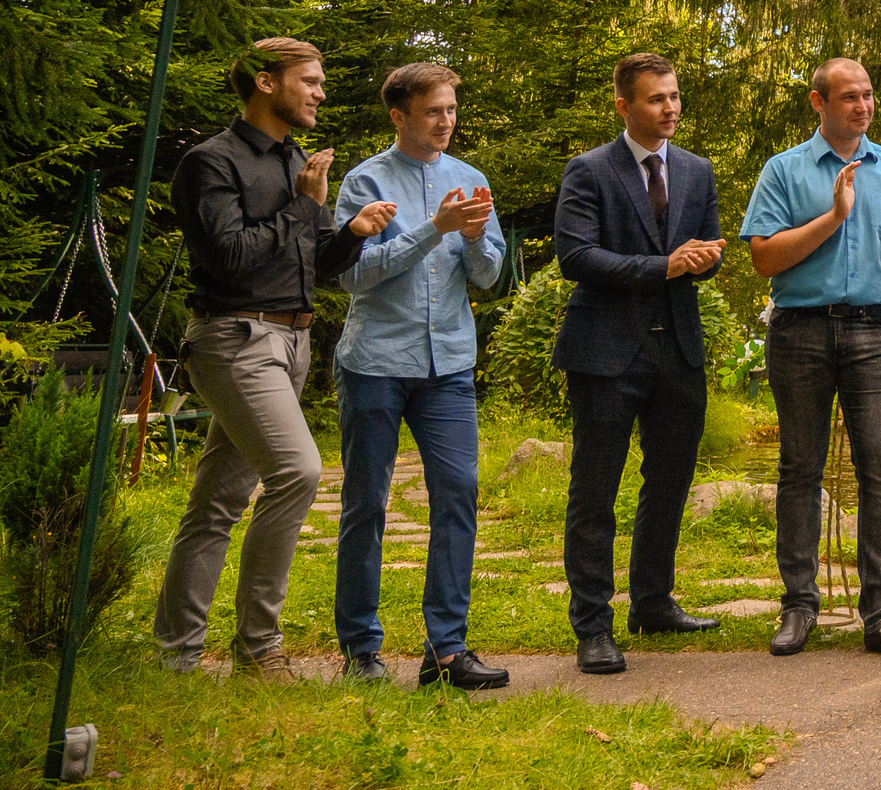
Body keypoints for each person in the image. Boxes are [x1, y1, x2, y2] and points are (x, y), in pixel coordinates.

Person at [154, 37, 391, 678]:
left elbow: (310, 262)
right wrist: (306, 205)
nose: (320, 92)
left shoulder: (297, 162)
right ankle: (259, 651)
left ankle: (175, 655)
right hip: (234, 340)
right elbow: (231, 257)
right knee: (299, 472)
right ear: (266, 82)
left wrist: (350, 233)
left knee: (216, 503)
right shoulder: (212, 162)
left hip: (293, 341)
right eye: (309, 81)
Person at [743, 57, 881, 661]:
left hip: (874, 333)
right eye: (849, 96)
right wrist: (834, 218)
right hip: (799, 331)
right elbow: (765, 260)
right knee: (800, 468)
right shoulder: (784, 170)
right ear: (817, 102)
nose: (863, 106)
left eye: (869, 95)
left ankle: (880, 611)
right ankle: (799, 606)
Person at [331, 61, 508, 689]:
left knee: (458, 493)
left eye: (452, 109)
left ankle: (447, 650)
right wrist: (435, 230)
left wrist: (476, 241)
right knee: (366, 504)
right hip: (376, 361)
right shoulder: (364, 181)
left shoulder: (471, 179)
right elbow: (352, 275)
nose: (446, 121)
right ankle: (360, 648)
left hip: (449, 365)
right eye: (433, 111)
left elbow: (488, 278)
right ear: (399, 116)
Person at [552, 52, 728, 675]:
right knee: (596, 489)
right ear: (625, 107)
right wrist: (665, 266)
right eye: (657, 99)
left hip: (678, 348)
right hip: (604, 351)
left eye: (675, 96)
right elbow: (575, 258)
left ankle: (652, 601)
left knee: (670, 481)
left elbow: (706, 247)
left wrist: (707, 258)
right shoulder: (589, 170)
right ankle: (593, 625)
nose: (671, 108)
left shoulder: (697, 170)